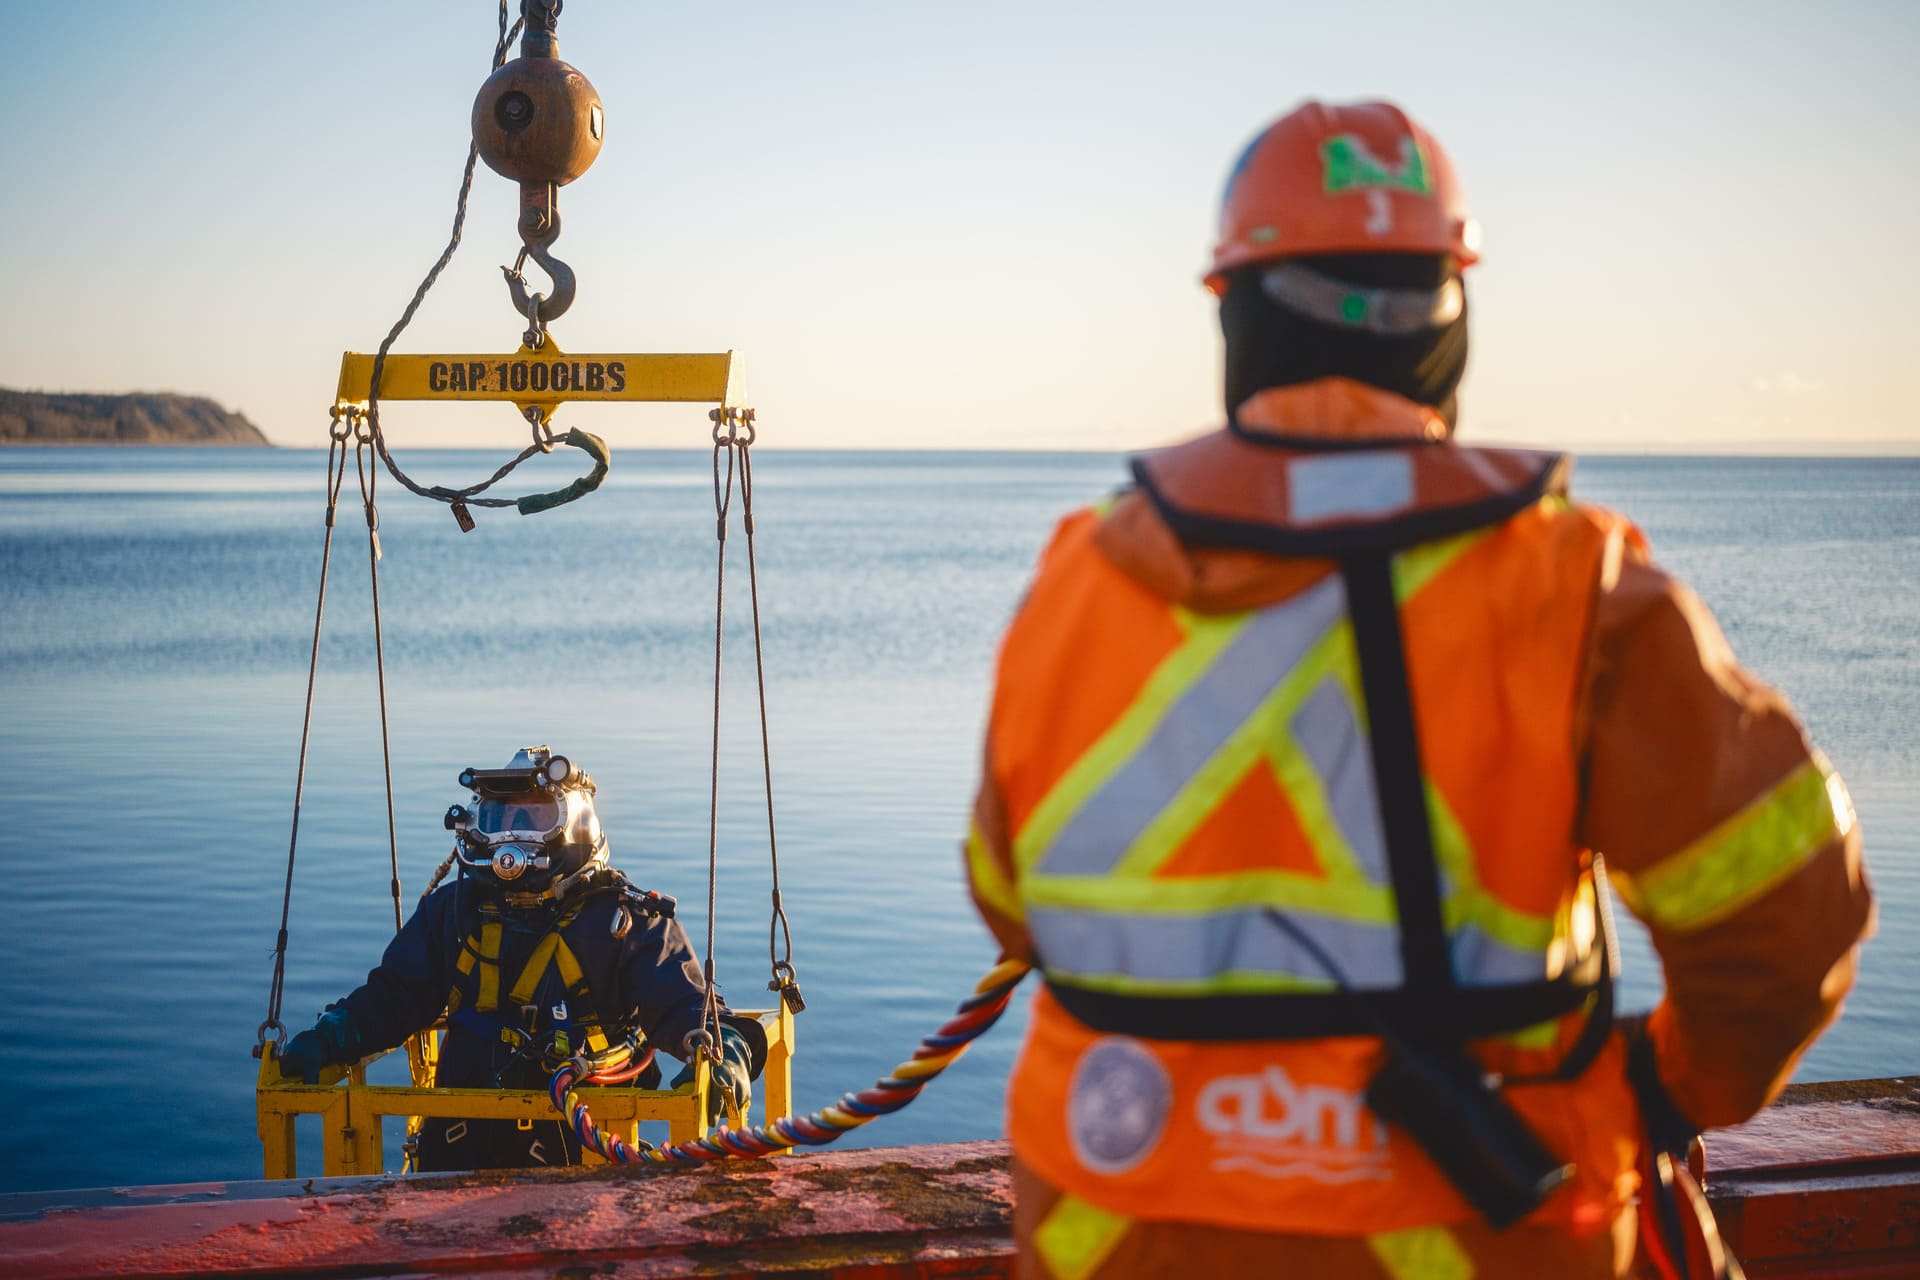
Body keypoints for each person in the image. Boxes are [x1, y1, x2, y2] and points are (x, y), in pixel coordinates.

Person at [963, 101, 1874, 1277]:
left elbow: (1008, 894)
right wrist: (1666, 1080)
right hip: (1482, 1235)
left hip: (1116, 1233)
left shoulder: (1079, 575)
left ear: (1234, 313)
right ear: (1450, 322)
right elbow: (1787, 916)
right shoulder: (1576, 584)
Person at [278, 745, 762, 1171]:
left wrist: (728, 1055)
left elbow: (688, 1008)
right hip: (452, 1157)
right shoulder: (453, 912)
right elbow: (395, 995)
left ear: (575, 825)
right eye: (498, 819)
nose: (510, 838)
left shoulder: (626, 922)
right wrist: (333, 1035)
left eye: (532, 820)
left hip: (583, 1167)